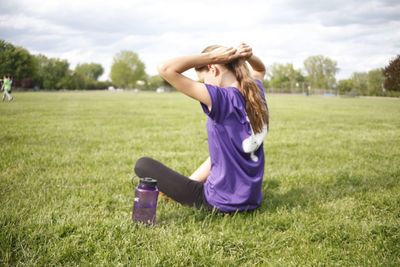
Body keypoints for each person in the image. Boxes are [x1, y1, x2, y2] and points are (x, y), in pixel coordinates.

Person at [134, 43, 269, 213]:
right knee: (208, 165)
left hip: (219, 202)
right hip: (252, 200)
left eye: (204, 80)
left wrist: (212, 56)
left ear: (213, 68)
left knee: (143, 165)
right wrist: (248, 56)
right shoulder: (256, 92)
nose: (205, 84)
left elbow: (166, 69)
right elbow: (260, 70)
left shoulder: (222, 98)